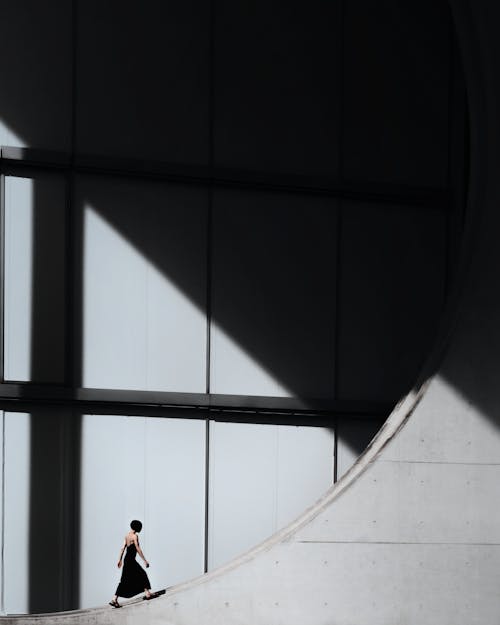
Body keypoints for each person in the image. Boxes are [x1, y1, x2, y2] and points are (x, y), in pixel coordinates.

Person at [109, 520, 153, 608]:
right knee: (142, 574)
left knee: (124, 579)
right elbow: (138, 549)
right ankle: (147, 594)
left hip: (126, 560)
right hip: (131, 560)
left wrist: (120, 560)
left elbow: (122, 549)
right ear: (137, 527)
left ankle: (114, 599)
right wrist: (145, 560)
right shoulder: (134, 536)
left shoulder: (126, 536)